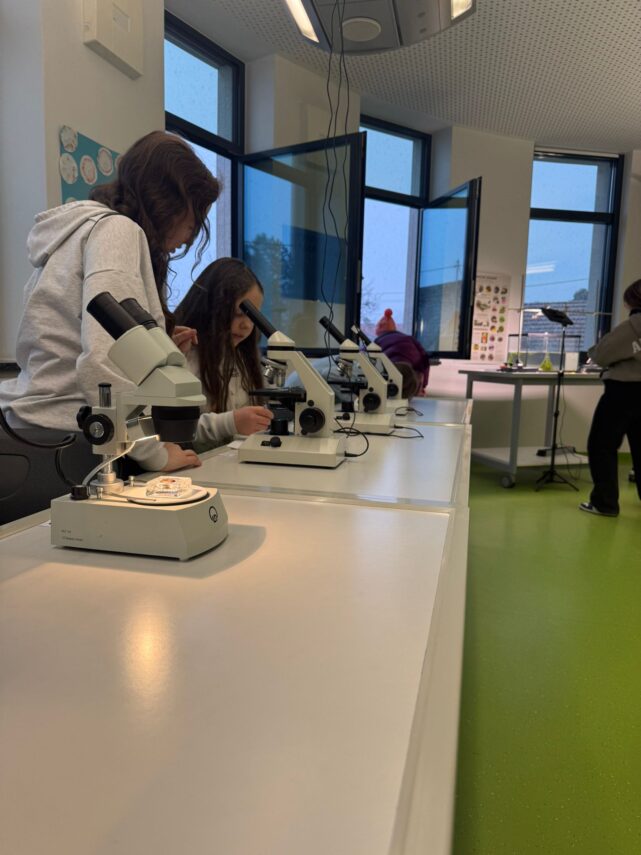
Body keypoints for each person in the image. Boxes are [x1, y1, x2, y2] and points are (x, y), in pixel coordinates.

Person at [0, 130, 220, 472]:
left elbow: (86, 338)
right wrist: (155, 453)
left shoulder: (80, 232)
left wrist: (156, 350)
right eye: (192, 224)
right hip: (71, 439)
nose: (188, 238)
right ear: (168, 204)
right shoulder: (118, 232)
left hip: (35, 432)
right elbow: (105, 363)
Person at [174, 258, 273, 448]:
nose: (247, 325)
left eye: (254, 317)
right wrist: (229, 423)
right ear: (212, 307)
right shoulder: (183, 355)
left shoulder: (244, 358)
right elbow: (170, 429)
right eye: (239, 313)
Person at [580, 279, 641, 516]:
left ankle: (604, 503)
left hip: (623, 391)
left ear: (631, 301)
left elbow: (601, 354)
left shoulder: (632, 326)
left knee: (602, 445)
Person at [374, 308, 431, 396]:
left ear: (379, 329)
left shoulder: (377, 342)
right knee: (414, 376)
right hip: (411, 371)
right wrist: (423, 385)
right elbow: (425, 360)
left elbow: (366, 357)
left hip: (390, 369)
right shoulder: (409, 338)